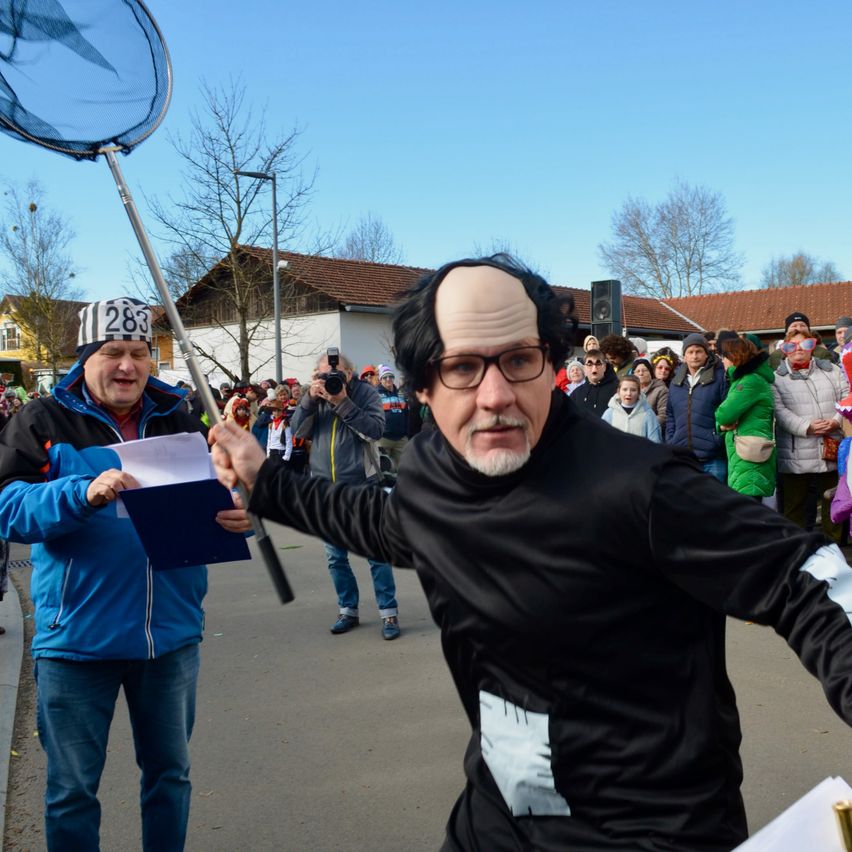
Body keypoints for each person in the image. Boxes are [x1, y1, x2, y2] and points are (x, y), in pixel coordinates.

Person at [209, 254, 852, 852]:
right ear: (424, 389)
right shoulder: (435, 468)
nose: (494, 396)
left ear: (551, 364)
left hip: (647, 828)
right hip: (498, 814)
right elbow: (389, 523)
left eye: (518, 359)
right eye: (462, 367)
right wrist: (266, 482)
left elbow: (805, 578)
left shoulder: (638, 487)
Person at [0, 297, 250, 851]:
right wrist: (80, 492)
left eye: (139, 353)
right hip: (75, 644)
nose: (127, 366)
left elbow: (223, 491)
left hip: (170, 640)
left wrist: (238, 514)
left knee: (170, 779)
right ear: (84, 357)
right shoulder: (42, 421)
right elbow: (7, 506)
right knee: (71, 791)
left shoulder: (182, 416)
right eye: (113, 352)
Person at [290, 351, 400, 640]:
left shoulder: (366, 395)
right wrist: (309, 400)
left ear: (349, 374)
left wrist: (342, 402)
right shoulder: (315, 397)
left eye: (337, 374)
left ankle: (389, 613)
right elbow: (297, 431)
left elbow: (375, 431)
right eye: (324, 375)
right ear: (316, 376)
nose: (331, 379)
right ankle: (347, 610)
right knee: (335, 557)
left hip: (362, 486)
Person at [773, 329, 848, 541]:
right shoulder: (776, 379)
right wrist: (807, 427)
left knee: (833, 500)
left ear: (812, 346)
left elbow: (847, 396)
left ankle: (834, 547)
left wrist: (836, 420)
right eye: (792, 346)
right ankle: (796, 548)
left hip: (830, 445)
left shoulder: (832, 371)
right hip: (795, 450)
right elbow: (779, 411)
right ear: (785, 350)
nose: (798, 350)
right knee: (794, 505)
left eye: (804, 345)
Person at [715, 335, 777, 499]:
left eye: (724, 357)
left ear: (734, 357)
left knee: (750, 515)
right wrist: (721, 426)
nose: (722, 361)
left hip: (749, 458)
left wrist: (720, 423)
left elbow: (724, 414)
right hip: (746, 456)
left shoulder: (748, 381)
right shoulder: (750, 378)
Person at [665, 332, 728, 481]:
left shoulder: (720, 378)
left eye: (699, 351)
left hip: (713, 458)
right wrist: (672, 440)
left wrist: (716, 438)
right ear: (684, 356)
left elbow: (726, 411)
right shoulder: (676, 382)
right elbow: (670, 415)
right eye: (690, 352)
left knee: (715, 503)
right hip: (683, 458)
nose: (694, 356)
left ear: (706, 354)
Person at [601, 374, 661, 442]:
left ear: (639, 392)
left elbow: (655, 441)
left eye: (633, 390)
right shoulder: (609, 413)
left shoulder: (648, 414)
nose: (628, 393)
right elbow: (602, 438)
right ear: (618, 391)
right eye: (625, 389)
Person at [376, 364, 410, 469]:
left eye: (391, 376)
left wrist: (406, 433)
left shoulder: (400, 394)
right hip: (383, 439)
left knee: (404, 468)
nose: (388, 379)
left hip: (401, 439)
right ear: (380, 379)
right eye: (385, 377)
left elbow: (407, 415)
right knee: (384, 470)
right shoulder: (375, 394)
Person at [571, 348, 617, 416]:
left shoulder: (617, 389)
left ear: (604, 367)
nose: (594, 369)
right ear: (584, 368)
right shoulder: (576, 394)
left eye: (598, 364)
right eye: (590, 364)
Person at [631, 356, 667, 429]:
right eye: (637, 371)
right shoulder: (630, 391)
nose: (641, 373)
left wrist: (642, 426)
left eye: (644, 370)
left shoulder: (661, 390)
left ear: (650, 373)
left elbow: (663, 416)